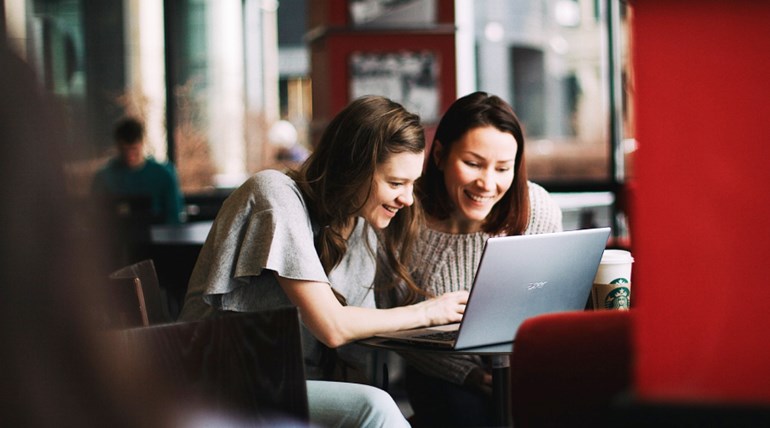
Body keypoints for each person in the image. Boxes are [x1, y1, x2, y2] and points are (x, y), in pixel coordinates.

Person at [179, 95, 470, 427]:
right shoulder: (273, 195)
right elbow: (333, 327)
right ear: (354, 168)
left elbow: (361, 327)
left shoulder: (359, 224)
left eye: (411, 184)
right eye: (395, 183)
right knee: (374, 407)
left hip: (283, 384)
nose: (406, 198)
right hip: (221, 385)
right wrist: (428, 312)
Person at [378, 91, 564, 427]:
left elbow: (554, 303)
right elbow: (390, 322)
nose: (487, 183)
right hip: (442, 374)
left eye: (503, 168)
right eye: (473, 164)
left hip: (528, 369)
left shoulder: (537, 209)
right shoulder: (401, 215)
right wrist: (471, 375)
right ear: (439, 155)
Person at [91, 117, 185, 225]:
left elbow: (174, 217)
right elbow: (95, 218)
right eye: (124, 150)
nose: (130, 155)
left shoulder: (164, 175)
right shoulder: (103, 178)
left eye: (134, 149)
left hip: (158, 239)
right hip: (114, 239)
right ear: (117, 146)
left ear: (142, 143)